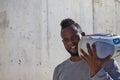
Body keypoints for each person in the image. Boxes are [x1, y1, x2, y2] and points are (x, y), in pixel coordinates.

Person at [53, 18, 120, 80]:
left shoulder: (106, 61)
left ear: (83, 35)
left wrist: (98, 71)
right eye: (66, 40)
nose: (70, 42)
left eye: (74, 37)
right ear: (63, 42)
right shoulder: (59, 70)